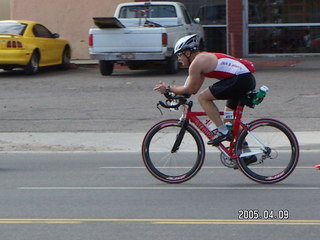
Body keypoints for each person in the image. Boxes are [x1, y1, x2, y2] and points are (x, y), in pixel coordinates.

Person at [153, 34, 256, 147]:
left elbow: (189, 89)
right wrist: (173, 94)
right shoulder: (201, 61)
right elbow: (192, 90)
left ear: (187, 53)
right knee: (228, 119)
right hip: (244, 79)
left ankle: (222, 132)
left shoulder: (197, 63)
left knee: (203, 98)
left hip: (241, 79)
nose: (178, 58)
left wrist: (168, 88)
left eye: (179, 55)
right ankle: (246, 154)